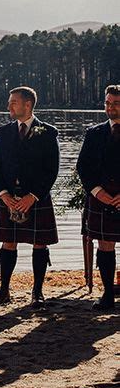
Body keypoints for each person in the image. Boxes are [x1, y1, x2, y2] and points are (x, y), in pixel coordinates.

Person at [0, 86, 59, 308]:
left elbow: (52, 170)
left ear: (27, 105)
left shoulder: (48, 132)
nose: (9, 106)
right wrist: (3, 195)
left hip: (36, 199)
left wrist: (34, 196)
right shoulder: (3, 132)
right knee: (8, 242)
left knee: (40, 244)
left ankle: (37, 292)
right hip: (9, 197)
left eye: (13, 102)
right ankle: (4, 291)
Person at [77, 84, 120, 311]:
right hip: (100, 198)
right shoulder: (94, 133)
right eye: (107, 103)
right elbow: (83, 167)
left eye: (116, 103)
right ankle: (107, 295)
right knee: (105, 246)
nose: (110, 107)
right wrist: (97, 192)